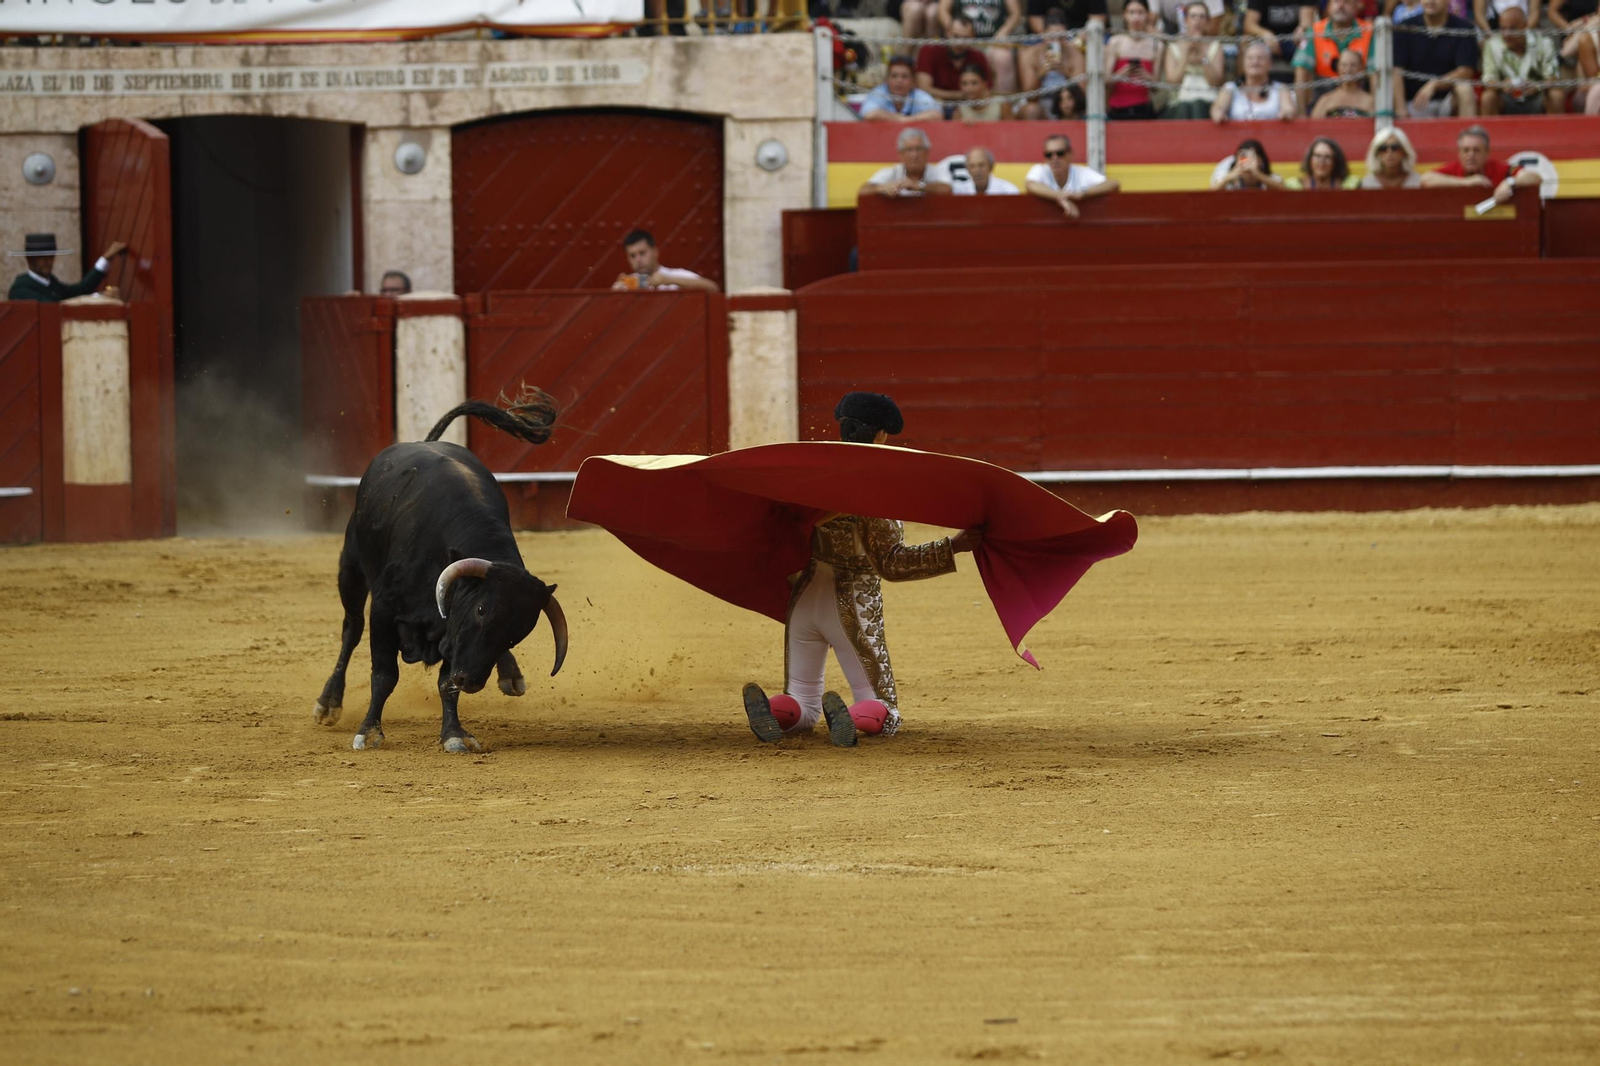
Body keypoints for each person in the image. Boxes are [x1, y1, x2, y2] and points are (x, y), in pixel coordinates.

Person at [740, 392, 983, 745]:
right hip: (853, 603)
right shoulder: (877, 489)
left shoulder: (810, 477)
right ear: (882, 435)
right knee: (881, 706)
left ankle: (779, 711)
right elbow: (892, 564)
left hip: (804, 598)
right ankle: (855, 717)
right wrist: (952, 547)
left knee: (802, 700)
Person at [1392, 0, 1480, 117]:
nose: (1430, 1)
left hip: (1448, 100)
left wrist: (1434, 84)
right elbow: (1396, 71)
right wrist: (1401, 109)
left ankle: (1469, 134)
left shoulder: (1464, 28)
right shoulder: (1404, 28)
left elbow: (1466, 71)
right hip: (1415, 103)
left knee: (1465, 89)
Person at [1420, 124, 1542, 205]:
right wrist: (1467, 182)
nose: (1471, 155)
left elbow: (1535, 178)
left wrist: (1509, 182)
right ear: (1459, 153)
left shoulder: (1498, 168)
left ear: (1487, 152)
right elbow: (1425, 179)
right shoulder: (1454, 168)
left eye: (1476, 150)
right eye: (1466, 150)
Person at [1480, 7, 1565, 114]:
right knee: (1488, 97)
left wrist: (1536, 86)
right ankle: (1490, 130)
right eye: (1503, 28)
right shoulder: (1492, 45)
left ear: (1524, 26)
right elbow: (1488, 80)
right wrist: (1503, 85)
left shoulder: (1544, 43)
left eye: (1512, 29)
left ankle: (1556, 130)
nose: (1507, 34)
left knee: (1556, 95)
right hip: (1506, 97)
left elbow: (1552, 77)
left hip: (1537, 97)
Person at [1293, 0, 1372, 113]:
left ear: (1356, 6)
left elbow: (1376, 75)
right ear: (1328, 7)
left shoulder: (1369, 31)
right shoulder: (1314, 31)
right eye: (1336, 1)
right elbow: (1301, 72)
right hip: (1322, 91)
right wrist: (1302, 115)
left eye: (1346, 2)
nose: (1340, 5)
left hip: (1360, 90)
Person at [6, 233, 127, 302]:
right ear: (29, 259)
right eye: (42, 258)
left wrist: (106, 258)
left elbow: (81, 290)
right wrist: (100, 297)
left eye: (51, 257)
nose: (48, 262)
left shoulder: (52, 283)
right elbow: (54, 307)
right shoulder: (21, 288)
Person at [1024, 133, 1120, 217]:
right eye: (1049, 155)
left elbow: (1113, 184)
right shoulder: (1040, 169)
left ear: (1070, 154)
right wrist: (1060, 197)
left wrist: (1082, 194)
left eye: (1060, 153)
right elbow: (1030, 185)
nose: (1054, 158)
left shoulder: (1081, 172)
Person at [939, 0, 1025, 92]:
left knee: (1003, 58)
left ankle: (1004, 103)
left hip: (992, 41)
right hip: (962, 39)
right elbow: (942, 10)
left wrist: (1003, 32)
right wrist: (956, 30)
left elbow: (1015, 13)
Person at [1161, 1, 1225, 118]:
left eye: (1202, 16)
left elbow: (1216, 82)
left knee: (1198, 106)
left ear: (1207, 22)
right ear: (1186, 21)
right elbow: (1173, 82)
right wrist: (1185, 54)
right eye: (1193, 16)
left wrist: (1202, 55)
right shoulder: (1173, 46)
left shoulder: (1215, 46)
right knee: (1186, 108)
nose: (1197, 20)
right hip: (1180, 101)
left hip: (1208, 100)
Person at [915, 13, 994, 107]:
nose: (960, 42)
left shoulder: (978, 56)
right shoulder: (929, 49)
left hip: (968, 107)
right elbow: (924, 89)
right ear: (947, 33)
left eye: (965, 38)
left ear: (973, 36)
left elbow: (986, 90)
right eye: (956, 36)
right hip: (936, 105)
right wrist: (959, 95)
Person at [1212, 39, 1301, 122]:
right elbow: (1218, 108)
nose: (1255, 62)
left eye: (1260, 58)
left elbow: (1289, 109)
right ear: (1243, 63)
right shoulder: (1230, 88)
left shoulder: (1281, 89)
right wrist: (1219, 114)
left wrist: (1287, 113)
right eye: (1250, 58)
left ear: (1270, 64)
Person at [1105, 0, 1164, 120]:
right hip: (1116, 109)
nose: (1136, 17)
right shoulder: (1115, 42)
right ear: (1124, 15)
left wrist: (1146, 76)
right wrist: (1121, 74)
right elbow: (1105, 80)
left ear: (1148, 15)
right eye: (1131, 12)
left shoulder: (1157, 45)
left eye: (1140, 12)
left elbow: (1156, 87)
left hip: (1144, 108)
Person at [611, 229, 719, 292]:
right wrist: (616, 296)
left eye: (642, 253)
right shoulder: (628, 284)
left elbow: (713, 289)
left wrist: (669, 280)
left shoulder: (674, 275)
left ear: (655, 252)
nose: (638, 259)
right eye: (632, 255)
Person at [860, 127, 955, 197]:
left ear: (927, 152)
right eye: (909, 150)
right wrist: (882, 188)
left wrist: (919, 186)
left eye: (919, 149)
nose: (915, 155)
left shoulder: (937, 171)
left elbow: (947, 189)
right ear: (900, 154)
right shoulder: (890, 172)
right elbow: (863, 190)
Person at [861, 55, 946, 122]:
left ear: (912, 81)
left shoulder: (918, 95)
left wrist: (908, 120)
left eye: (904, 76)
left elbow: (937, 115)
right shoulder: (879, 93)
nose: (899, 81)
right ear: (887, 79)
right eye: (894, 76)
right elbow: (869, 114)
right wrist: (900, 119)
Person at [1311, 48, 1376, 116]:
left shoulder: (1369, 101)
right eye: (1344, 65)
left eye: (1353, 65)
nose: (1348, 70)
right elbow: (1314, 125)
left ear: (1360, 68)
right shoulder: (1326, 100)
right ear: (1338, 68)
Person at [1246, 0, 1317, 62]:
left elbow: (1306, 22)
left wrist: (1301, 29)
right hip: (1266, 40)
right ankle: (1243, 77)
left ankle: (1302, 77)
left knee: (1306, 45)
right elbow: (1249, 25)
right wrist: (1264, 34)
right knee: (1249, 49)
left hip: (1293, 40)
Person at [1212, 138, 1288, 189]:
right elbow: (1209, 194)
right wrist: (1230, 176)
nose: (1248, 164)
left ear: (1261, 162)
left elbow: (1286, 192)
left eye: (1253, 159)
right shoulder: (1225, 175)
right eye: (1245, 158)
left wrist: (1258, 175)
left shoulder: (1270, 178)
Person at [1287, 136, 1358, 188]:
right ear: (1310, 159)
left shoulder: (1350, 185)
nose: (1321, 161)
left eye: (1327, 157)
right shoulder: (1294, 186)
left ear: (1336, 161)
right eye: (1317, 156)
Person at [953, 146, 1022, 193]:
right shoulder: (960, 191)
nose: (977, 170)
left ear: (991, 167)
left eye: (981, 165)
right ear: (967, 169)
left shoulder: (1007, 190)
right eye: (972, 166)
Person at [1473, 0, 1540, 33]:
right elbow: (1479, 14)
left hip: (1525, 27)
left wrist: (1525, 34)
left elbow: (1535, 12)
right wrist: (1492, 38)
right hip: (1493, 28)